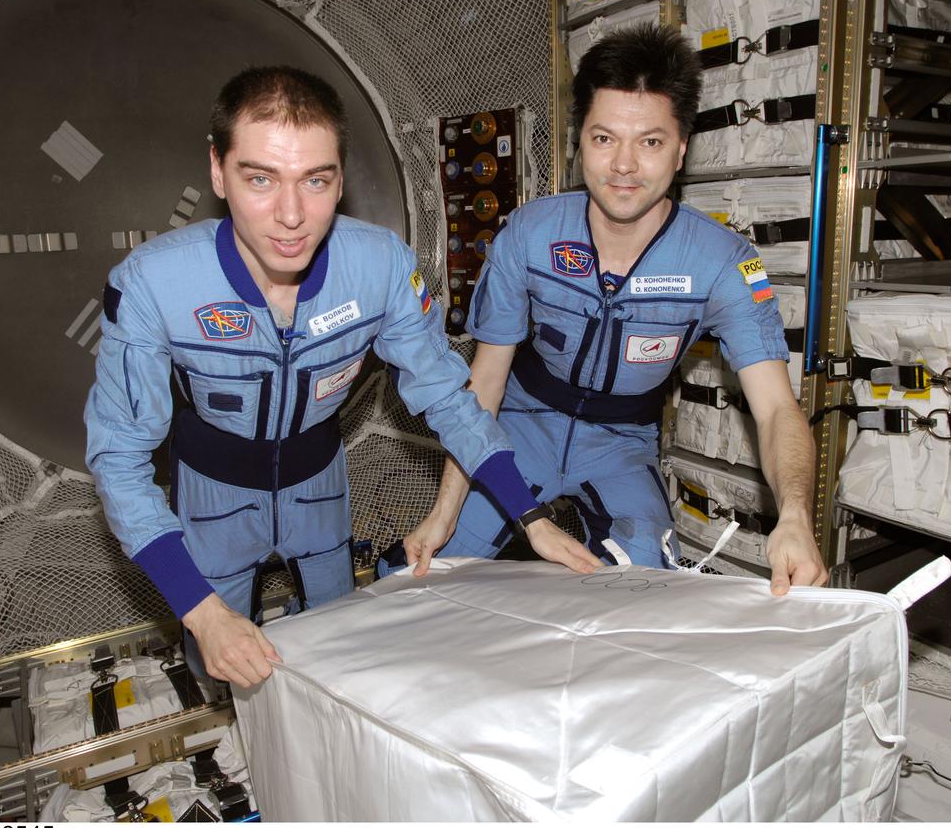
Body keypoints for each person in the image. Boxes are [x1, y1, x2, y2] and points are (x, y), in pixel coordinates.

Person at [85, 66, 601, 689]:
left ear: (340, 180)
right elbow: (119, 456)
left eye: (316, 181)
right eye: (260, 179)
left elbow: (449, 399)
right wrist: (201, 613)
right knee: (218, 666)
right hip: (211, 490)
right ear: (218, 171)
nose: (291, 215)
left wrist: (532, 516)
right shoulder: (153, 284)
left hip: (318, 487)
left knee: (335, 647)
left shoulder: (379, 266)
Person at [398, 24, 826, 593]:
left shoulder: (723, 263)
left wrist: (795, 516)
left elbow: (775, 409)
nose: (624, 165)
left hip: (622, 444)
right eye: (604, 139)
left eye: (649, 142)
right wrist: (446, 507)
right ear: (579, 142)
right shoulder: (529, 234)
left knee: (649, 586)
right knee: (422, 576)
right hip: (518, 424)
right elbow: (485, 381)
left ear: (681, 149)